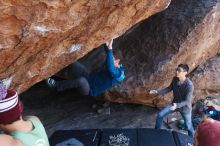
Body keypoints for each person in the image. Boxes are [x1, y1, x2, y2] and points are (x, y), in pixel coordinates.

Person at [46, 38, 125, 97]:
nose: (110, 60)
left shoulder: (118, 75)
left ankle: (55, 85)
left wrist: (110, 49)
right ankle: (51, 67)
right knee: (73, 63)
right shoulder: (112, 64)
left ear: (118, 61)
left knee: (81, 81)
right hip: (88, 76)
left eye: (113, 59)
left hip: (89, 89)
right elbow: (108, 56)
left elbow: (110, 67)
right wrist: (106, 43)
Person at [149, 64, 194, 136]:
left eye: (179, 70)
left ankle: (192, 140)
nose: (176, 71)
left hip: (185, 108)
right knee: (160, 115)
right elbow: (168, 88)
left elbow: (187, 101)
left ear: (185, 72)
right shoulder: (175, 79)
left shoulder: (189, 85)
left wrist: (177, 105)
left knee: (189, 126)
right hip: (174, 104)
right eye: (177, 69)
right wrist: (157, 92)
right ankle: (157, 133)